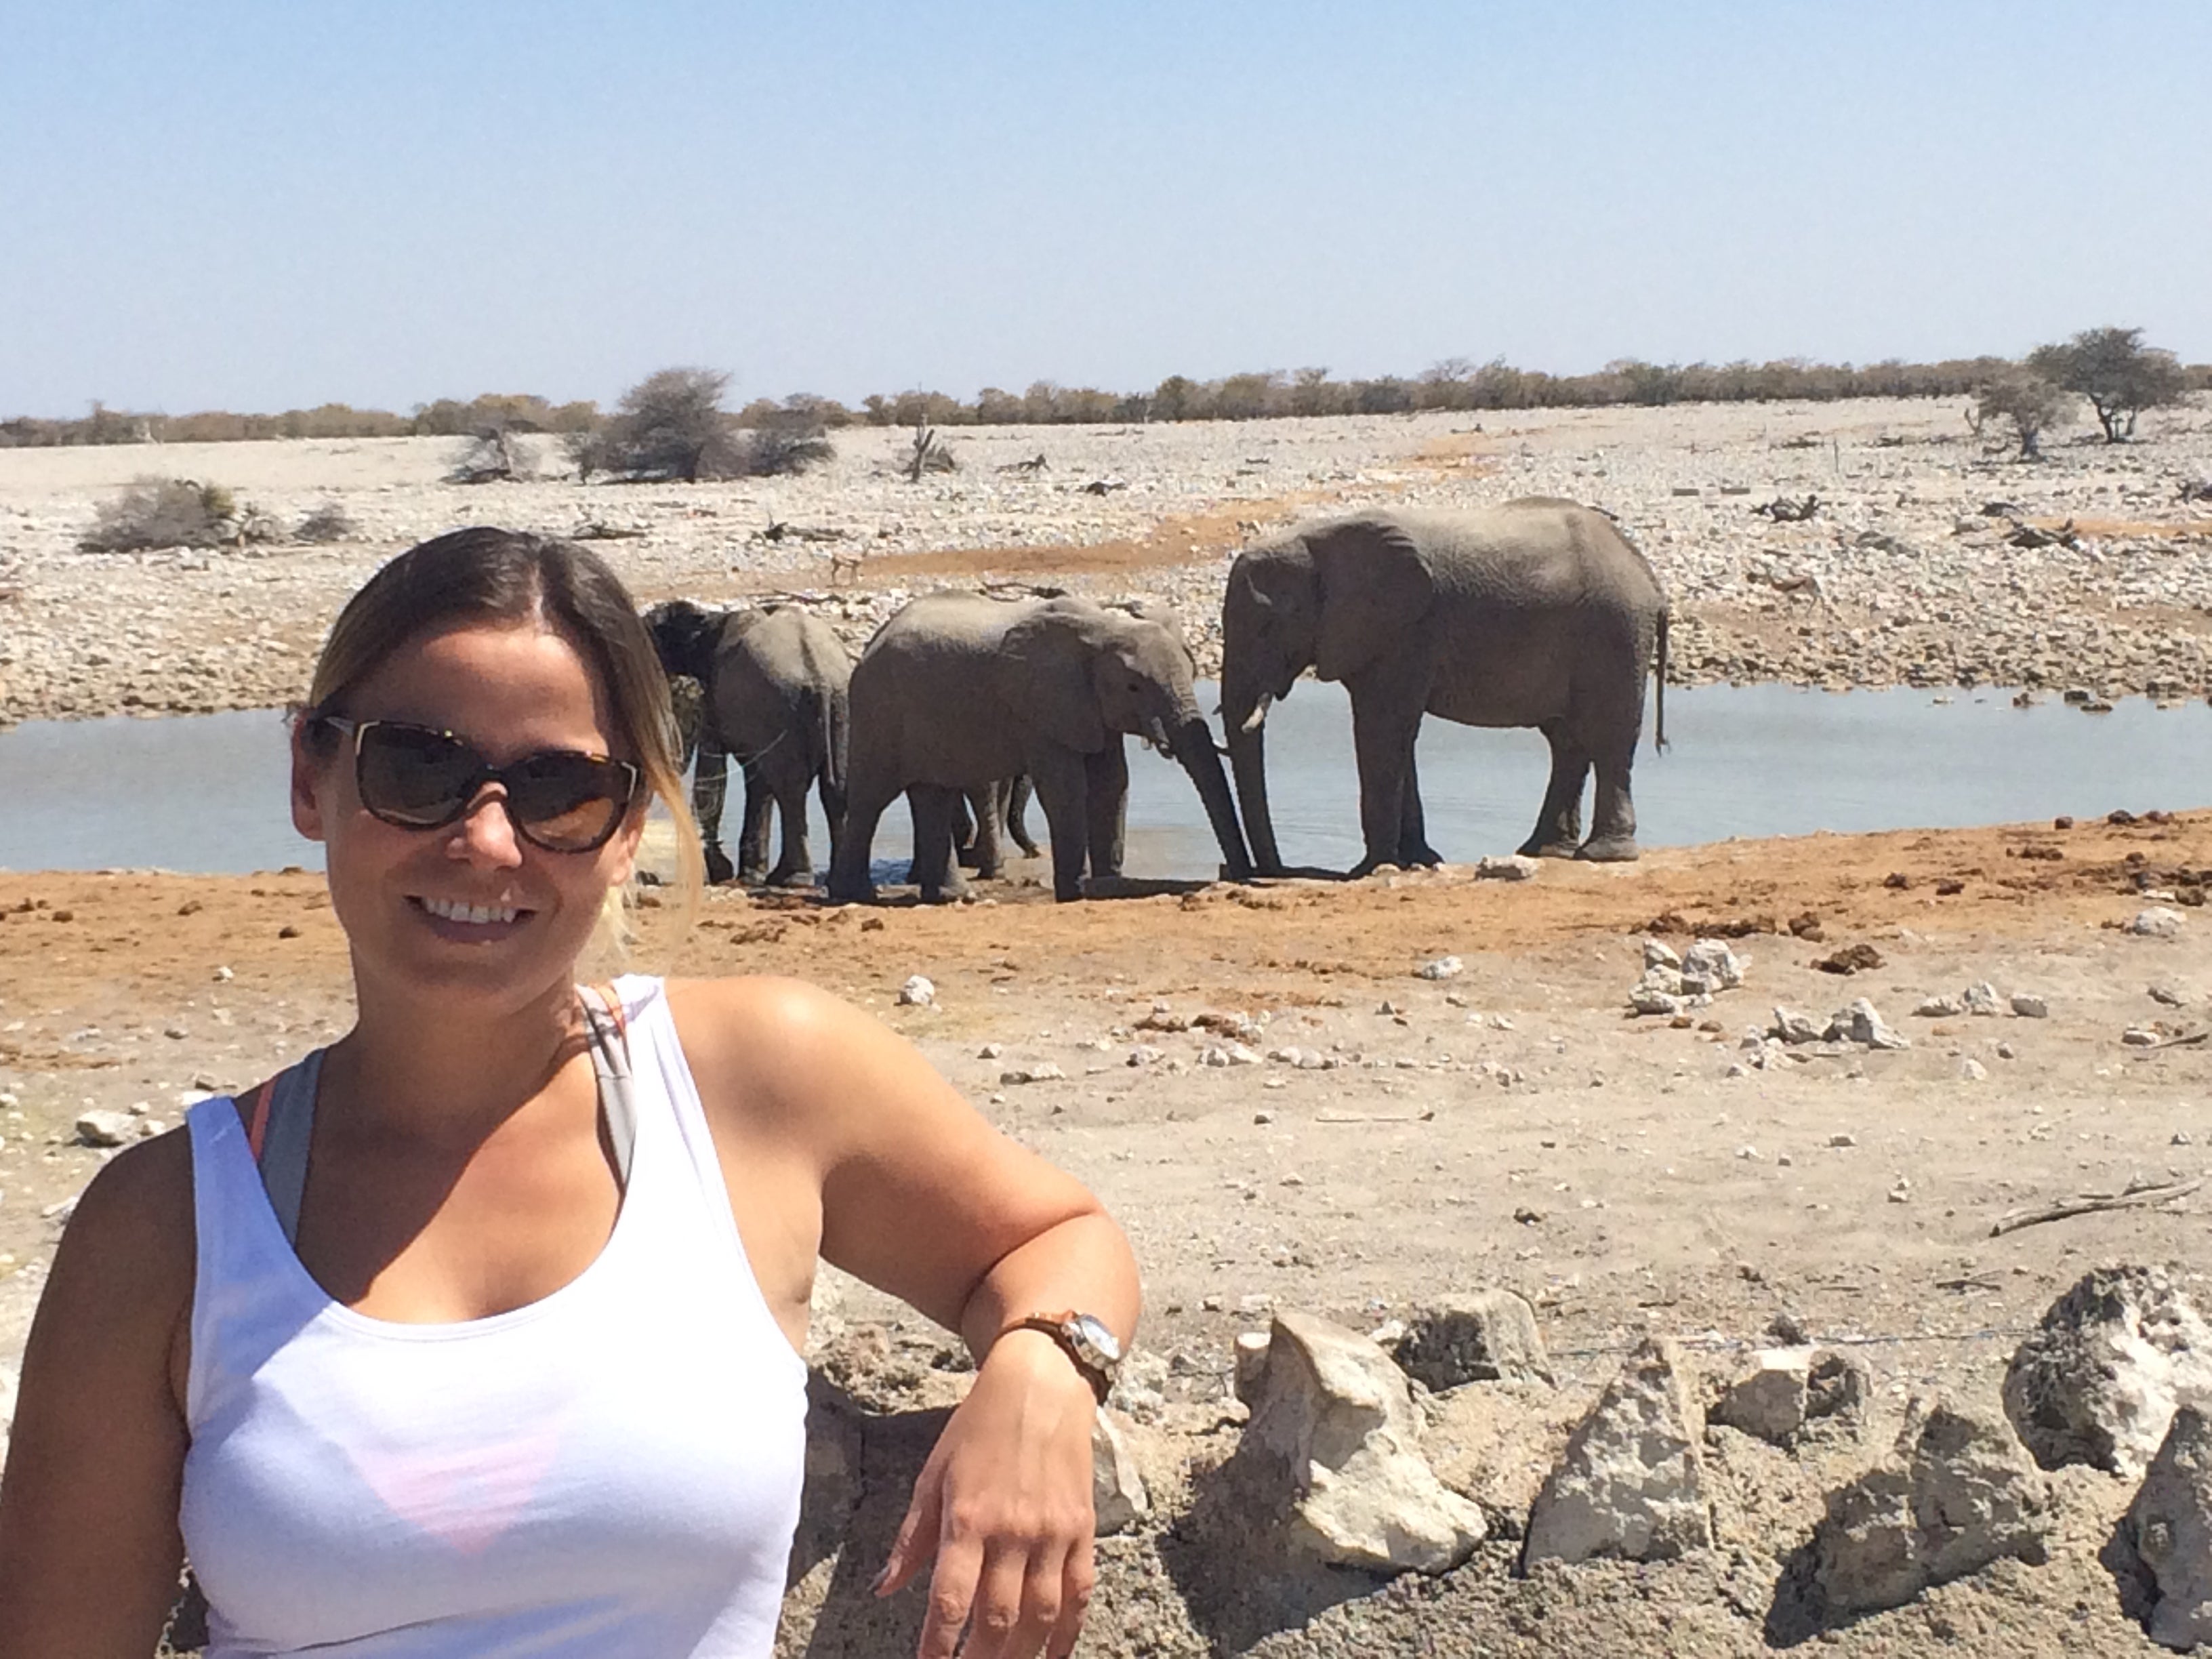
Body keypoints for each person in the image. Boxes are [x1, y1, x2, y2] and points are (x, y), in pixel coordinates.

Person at [0, 528, 1139, 1659]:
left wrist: (1046, 1369)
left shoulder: (757, 1081)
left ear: (630, 822)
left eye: (561, 791)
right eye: (419, 771)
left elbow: (1055, 1236)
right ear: (310, 773)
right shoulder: (169, 1225)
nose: (488, 840)